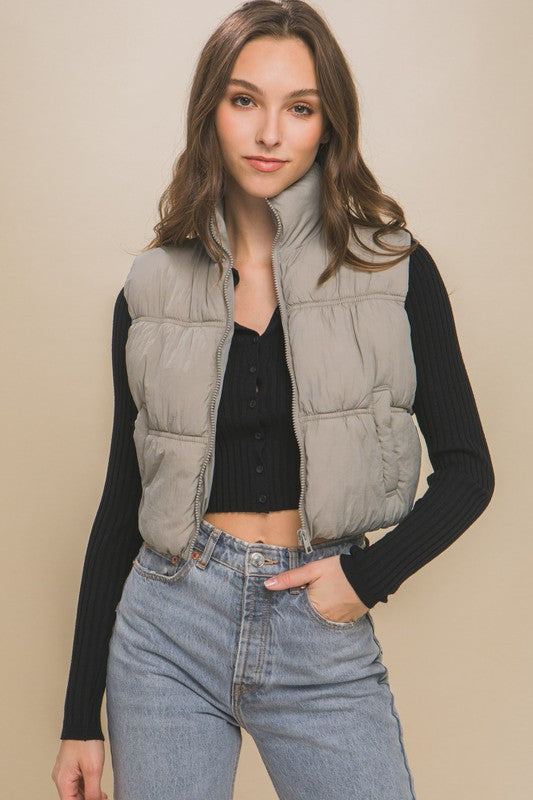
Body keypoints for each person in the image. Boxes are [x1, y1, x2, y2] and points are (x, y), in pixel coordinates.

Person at [51, 2, 495, 799]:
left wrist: (364, 579)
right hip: (166, 629)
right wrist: (81, 715)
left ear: (328, 125)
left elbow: (469, 472)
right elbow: (124, 498)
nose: (268, 133)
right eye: (243, 99)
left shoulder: (392, 270)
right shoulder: (150, 287)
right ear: (211, 112)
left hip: (317, 631)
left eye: (299, 108)